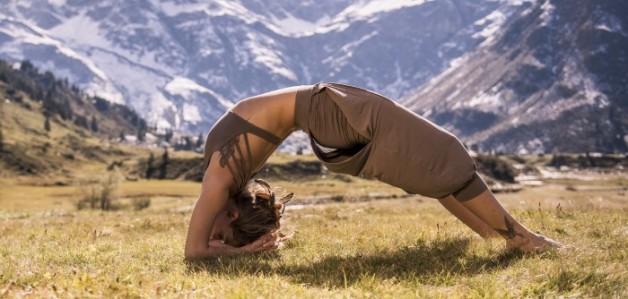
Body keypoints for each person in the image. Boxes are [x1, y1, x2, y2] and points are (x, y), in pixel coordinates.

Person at [184, 82, 562, 259]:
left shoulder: (218, 183)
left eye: (219, 233)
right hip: (325, 112)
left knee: (440, 160)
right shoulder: (227, 178)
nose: (208, 230)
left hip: (327, 108)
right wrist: (242, 247)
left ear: (232, 213)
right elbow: (200, 250)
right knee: (437, 164)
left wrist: (241, 250)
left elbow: (193, 251)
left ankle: (509, 238)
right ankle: (516, 239)